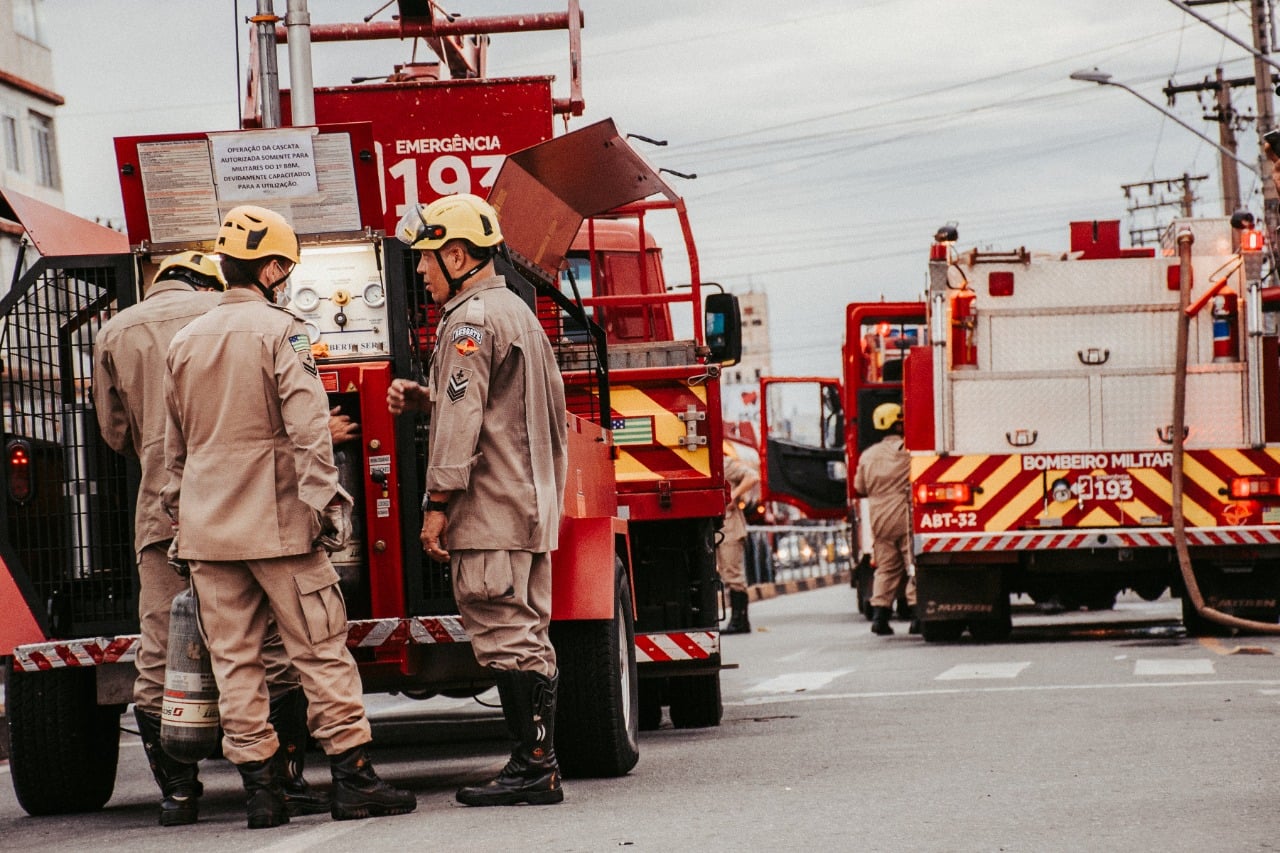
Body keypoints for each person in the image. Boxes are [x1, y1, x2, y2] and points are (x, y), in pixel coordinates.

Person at [161, 205, 415, 829]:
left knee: (235, 661)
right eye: (287, 267)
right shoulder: (285, 332)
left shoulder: (186, 341)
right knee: (320, 649)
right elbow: (309, 430)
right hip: (278, 526)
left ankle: (263, 793)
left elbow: (172, 451)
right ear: (272, 268)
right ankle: (352, 779)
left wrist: (181, 516)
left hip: (207, 530)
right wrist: (330, 507)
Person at [93, 250, 331, 826]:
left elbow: (115, 431)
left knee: (160, 648)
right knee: (266, 645)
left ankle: (178, 794)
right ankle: (279, 781)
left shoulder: (115, 331)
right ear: (212, 279)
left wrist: (159, 459)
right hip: (252, 510)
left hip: (164, 510)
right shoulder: (242, 321)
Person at [390, 192, 568, 807]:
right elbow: (504, 407)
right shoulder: (517, 312)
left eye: (427, 258)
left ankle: (532, 768)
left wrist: (437, 501)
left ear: (459, 255)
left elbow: (463, 422)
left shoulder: (468, 321)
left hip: (490, 509)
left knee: (503, 633)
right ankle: (538, 763)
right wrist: (427, 398)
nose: (419, 270)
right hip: (529, 503)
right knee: (530, 633)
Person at [853, 402, 916, 636]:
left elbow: (858, 487)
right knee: (913, 566)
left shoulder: (867, 455)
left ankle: (880, 617)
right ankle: (917, 615)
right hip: (903, 514)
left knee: (886, 568)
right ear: (897, 423)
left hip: (878, 518)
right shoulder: (906, 451)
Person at [719, 451, 759, 635]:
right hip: (721, 529)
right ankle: (739, 620)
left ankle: (739, 620)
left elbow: (752, 476)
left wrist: (733, 495)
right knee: (727, 574)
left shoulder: (724, 464)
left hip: (731, 528)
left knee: (733, 575)